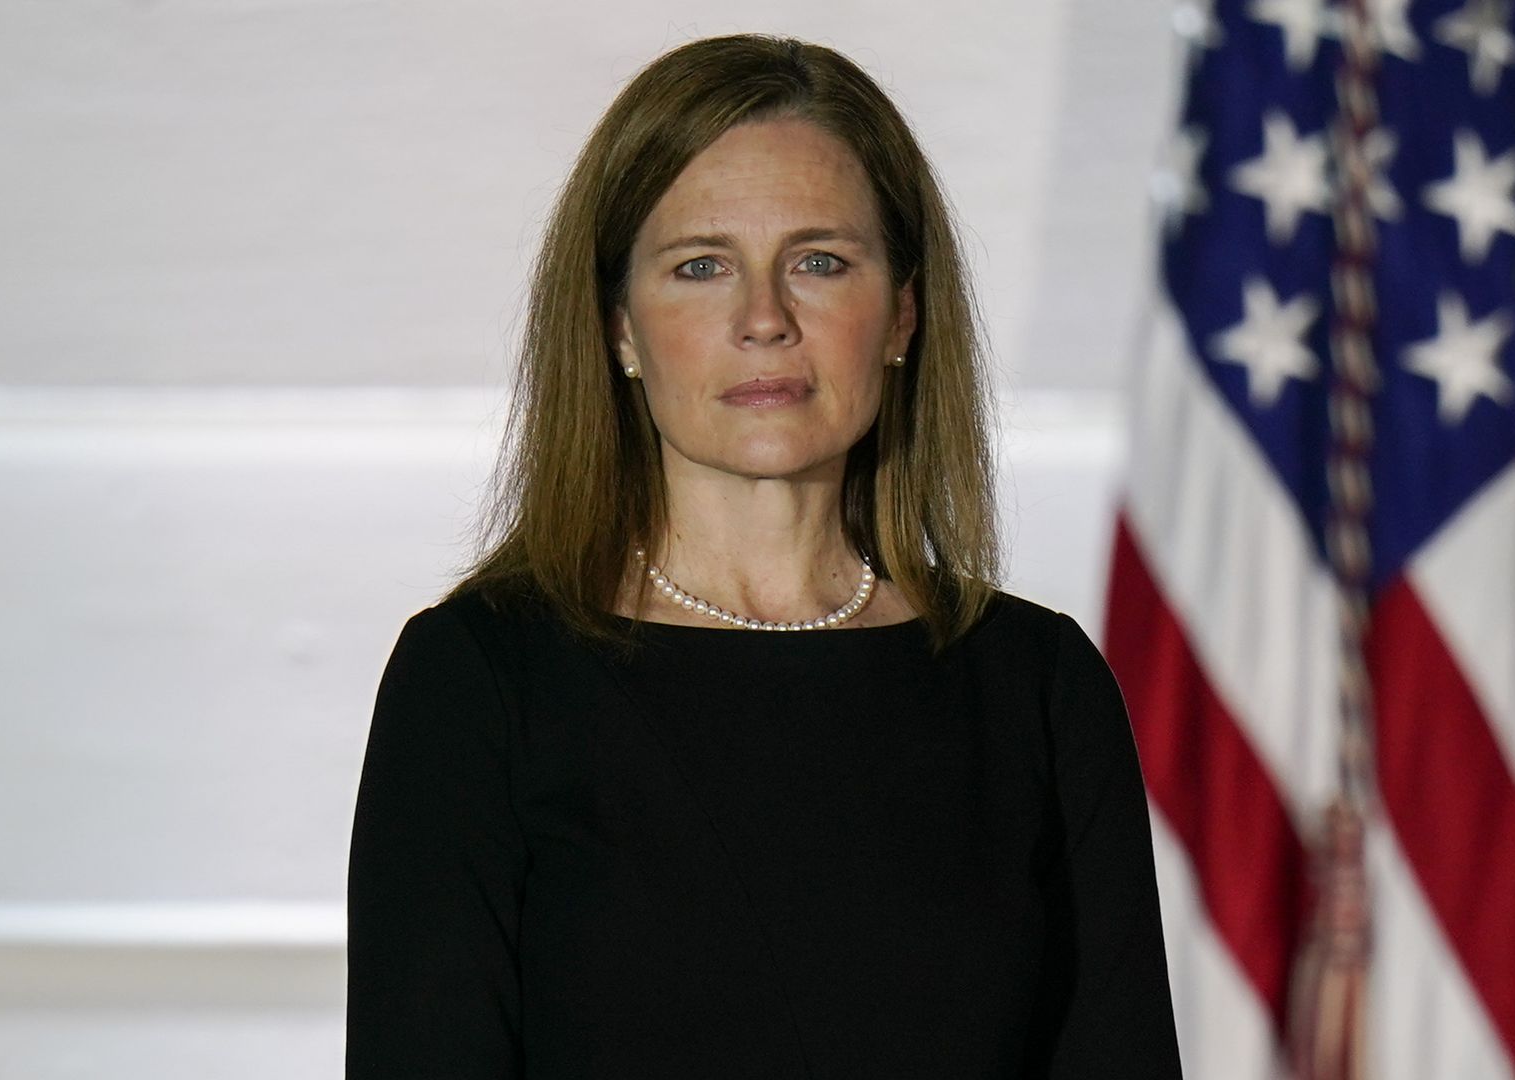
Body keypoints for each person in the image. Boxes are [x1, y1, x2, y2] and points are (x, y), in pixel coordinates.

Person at [346, 33, 1181, 1078]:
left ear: (902, 316)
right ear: (619, 330)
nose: (764, 320)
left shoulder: (1038, 688)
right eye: (702, 267)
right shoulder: (480, 680)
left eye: (819, 262)